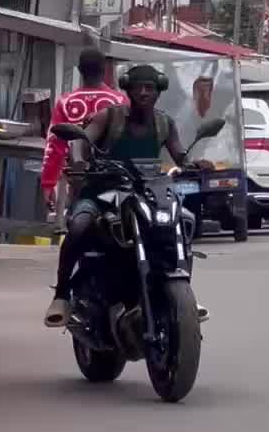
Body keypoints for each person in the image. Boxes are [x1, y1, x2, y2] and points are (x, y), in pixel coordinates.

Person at [44, 62, 187, 327]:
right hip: (102, 193)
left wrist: (194, 163)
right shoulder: (109, 117)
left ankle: (180, 294)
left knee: (183, 220)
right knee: (79, 226)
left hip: (145, 193)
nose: (143, 92)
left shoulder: (164, 123)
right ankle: (61, 295)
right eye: (138, 87)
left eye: (149, 88)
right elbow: (80, 140)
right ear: (127, 90)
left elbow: (179, 153)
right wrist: (79, 161)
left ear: (159, 91)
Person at [40, 48, 127, 218]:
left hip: (76, 180)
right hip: (113, 179)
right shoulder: (120, 101)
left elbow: (55, 146)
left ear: (79, 70)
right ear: (104, 70)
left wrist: (48, 183)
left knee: (75, 221)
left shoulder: (66, 102)